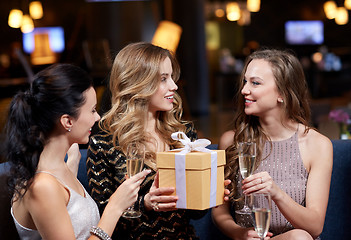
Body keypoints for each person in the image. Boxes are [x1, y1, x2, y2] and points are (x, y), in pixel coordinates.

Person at [87, 42, 228, 239]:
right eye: (163, 79)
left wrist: (210, 192)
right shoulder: (104, 144)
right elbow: (102, 219)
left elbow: (196, 214)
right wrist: (144, 203)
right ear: (138, 82)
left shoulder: (183, 135)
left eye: (171, 77)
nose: (174, 86)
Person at [6, 63, 150, 240]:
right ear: (67, 122)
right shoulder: (43, 186)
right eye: (92, 110)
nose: (97, 118)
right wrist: (115, 207)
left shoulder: (60, 168)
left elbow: (68, 206)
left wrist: (72, 156)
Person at [211, 48, 333, 240]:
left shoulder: (317, 145)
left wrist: (276, 193)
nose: (244, 90)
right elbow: (219, 211)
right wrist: (239, 233)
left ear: (282, 93)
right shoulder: (231, 141)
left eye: (255, 83)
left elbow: (315, 226)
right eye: (245, 82)